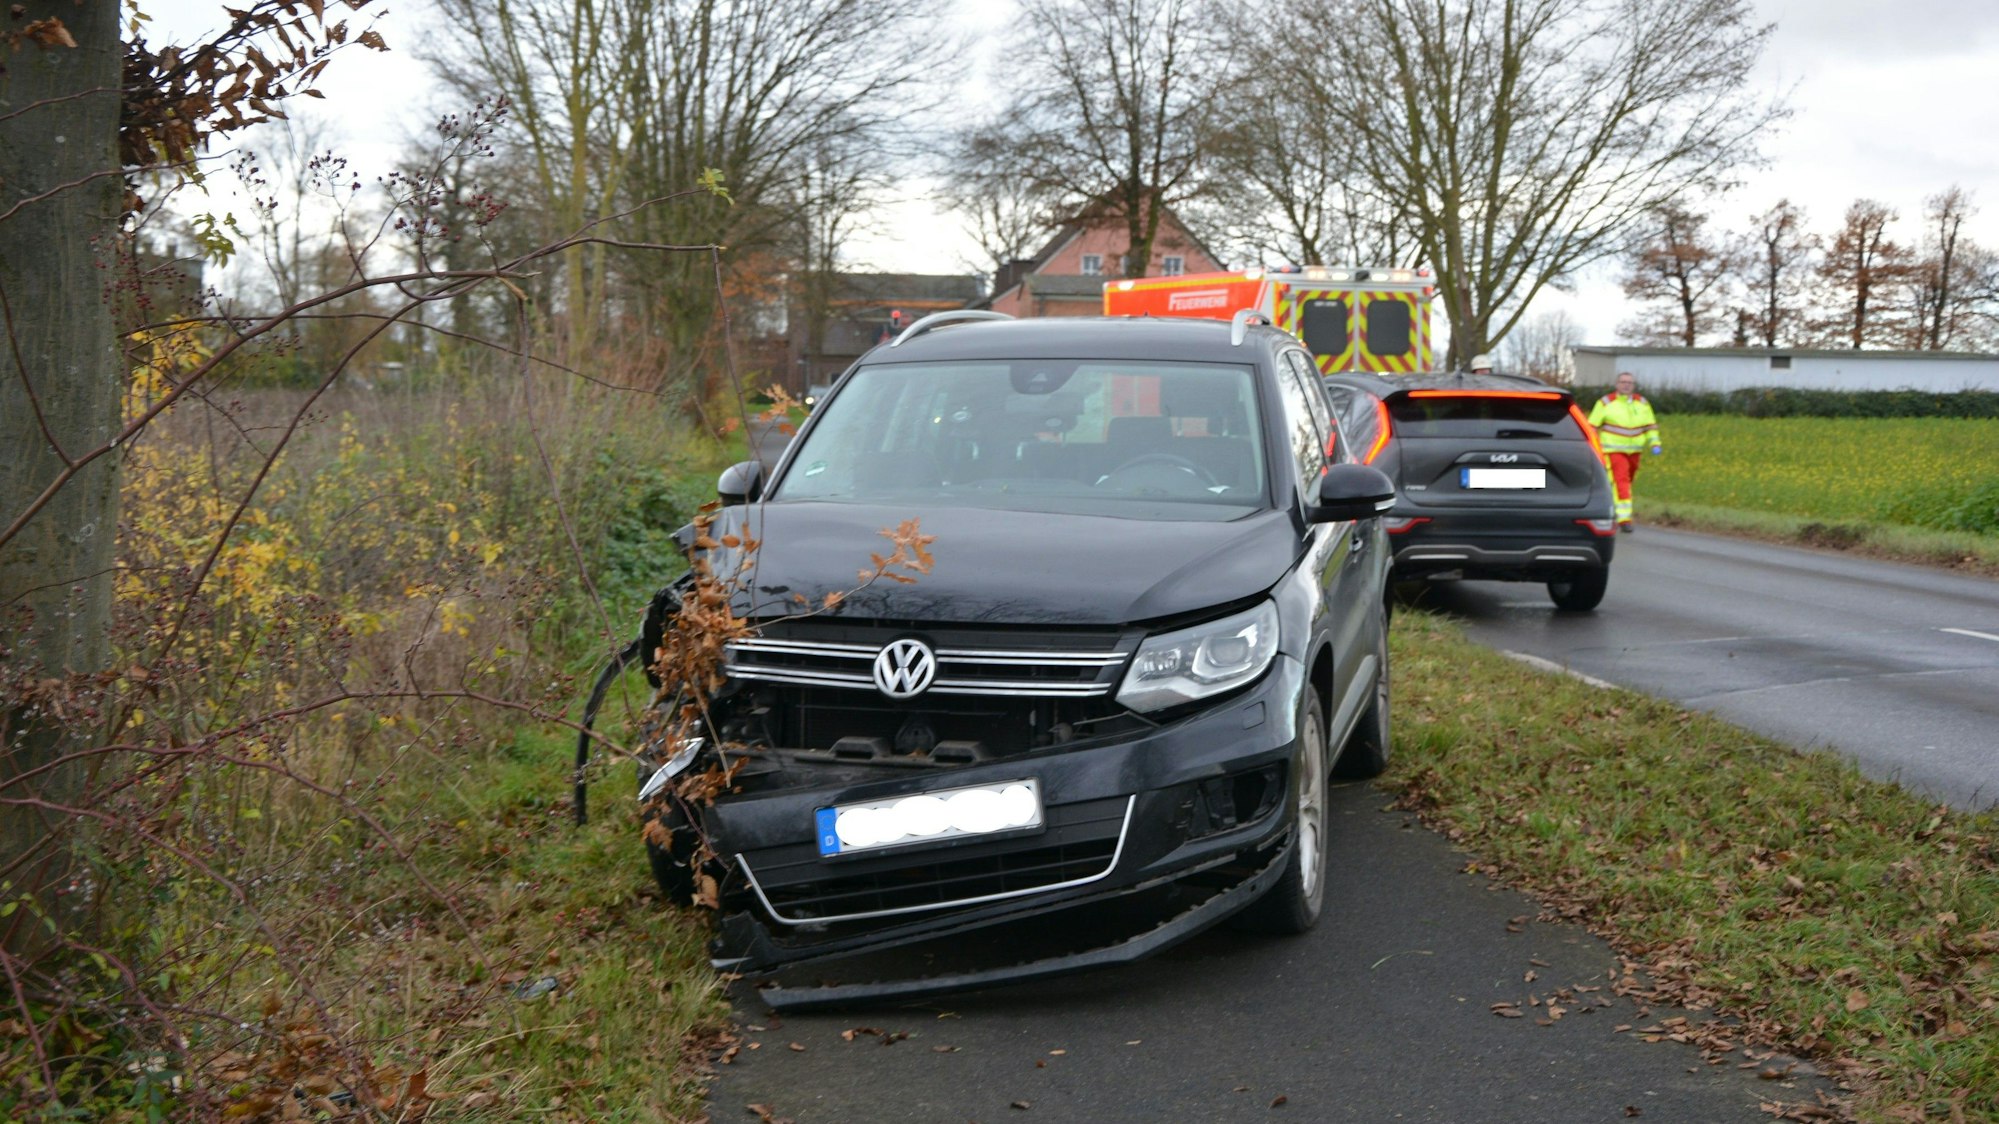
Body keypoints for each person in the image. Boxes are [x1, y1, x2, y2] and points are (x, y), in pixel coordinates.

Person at [1587, 371, 1662, 531]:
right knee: (1622, 482)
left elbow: (1650, 426)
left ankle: (1612, 507)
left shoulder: (1642, 403)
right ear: (1617, 384)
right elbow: (1592, 427)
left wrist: (1655, 443)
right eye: (1623, 382)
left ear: (1633, 385)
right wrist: (1593, 447)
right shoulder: (1606, 403)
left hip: (1635, 450)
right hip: (1613, 449)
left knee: (1627, 481)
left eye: (1629, 382)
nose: (1626, 385)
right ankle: (1624, 519)